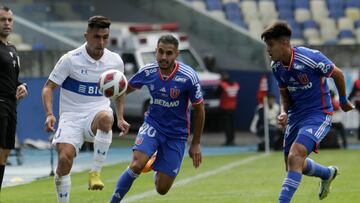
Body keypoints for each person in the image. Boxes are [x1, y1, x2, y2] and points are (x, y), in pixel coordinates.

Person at [261, 21, 354, 203]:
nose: (268, 50)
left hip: (318, 114)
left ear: (285, 43)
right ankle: (327, 173)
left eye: (271, 45)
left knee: (295, 156)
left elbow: (338, 74)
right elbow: (283, 93)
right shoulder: (276, 66)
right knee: (293, 164)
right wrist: (283, 111)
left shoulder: (310, 58)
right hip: (295, 116)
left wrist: (343, 100)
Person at [42, 16, 128, 203]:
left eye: (105, 37)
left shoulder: (115, 61)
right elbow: (48, 88)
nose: (101, 42)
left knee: (107, 117)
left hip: (96, 115)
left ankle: (95, 173)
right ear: (86, 35)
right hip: (71, 117)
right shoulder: (70, 60)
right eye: (97, 37)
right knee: (64, 160)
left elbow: (120, 92)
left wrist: (120, 118)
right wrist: (49, 114)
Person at [109, 34, 205, 202]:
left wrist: (196, 143)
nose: (164, 57)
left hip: (176, 134)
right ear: (156, 51)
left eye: (169, 53)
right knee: (137, 165)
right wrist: (120, 117)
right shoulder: (148, 71)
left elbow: (200, 109)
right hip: (153, 125)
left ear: (176, 54)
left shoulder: (188, 77)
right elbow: (122, 91)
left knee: (162, 189)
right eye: (160, 52)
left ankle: (155, 162)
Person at [0, 6, 28, 190]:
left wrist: (22, 85)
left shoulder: (12, 48)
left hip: (11, 106)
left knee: (5, 152)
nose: (7, 23)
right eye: (3, 19)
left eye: (9, 20)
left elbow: (12, 78)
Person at [217, 72, 240, 146]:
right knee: (232, 124)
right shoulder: (235, 85)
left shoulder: (222, 85)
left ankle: (228, 140)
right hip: (233, 107)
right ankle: (232, 140)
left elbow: (217, 93)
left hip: (225, 107)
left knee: (227, 125)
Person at [348, 73, 360, 140]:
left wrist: (348, 100)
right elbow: (353, 92)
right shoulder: (357, 82)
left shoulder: (357, 82)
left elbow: (352, 92)